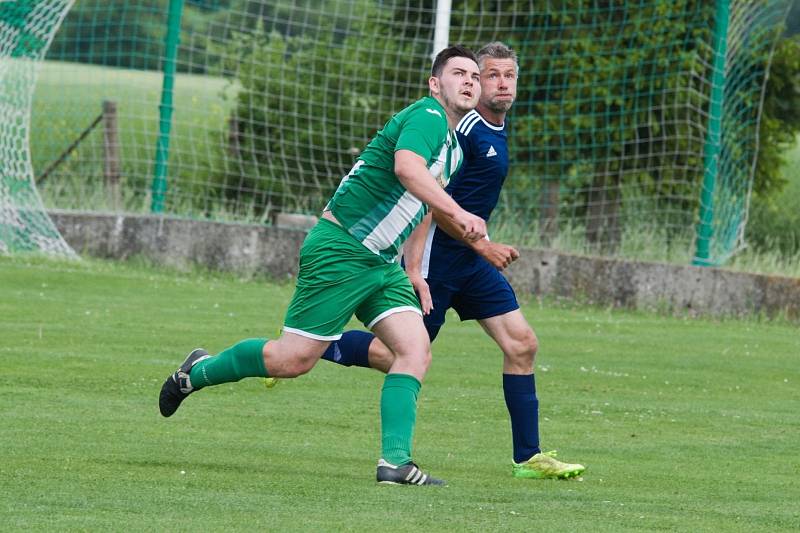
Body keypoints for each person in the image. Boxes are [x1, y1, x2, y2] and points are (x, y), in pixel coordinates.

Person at [158, 45, 487, 486]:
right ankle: (195, 373)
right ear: (435, 83)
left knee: (413, 352)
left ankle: (395, 463)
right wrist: (461, 214)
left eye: (475, 76)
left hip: (382, 265)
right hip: (343, 250)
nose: (470, 81)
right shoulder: (426, 116)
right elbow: (408, 169)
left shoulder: (454, 148)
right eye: (459, 73)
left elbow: (423, 207)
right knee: (290, 361)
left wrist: (413, 269)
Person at [315, 42, 586, 480]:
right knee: (395, 355)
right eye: (489, 75)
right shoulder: (464, 131)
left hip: (470, 265)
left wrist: (479, 249)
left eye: (508, 76)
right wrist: (480, 247)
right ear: (469, 82)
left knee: (522, 345)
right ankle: (320, 345)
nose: (500, 84)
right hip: (437, 262)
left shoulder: (496, 127)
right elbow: (430, 198)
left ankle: (528, 458)